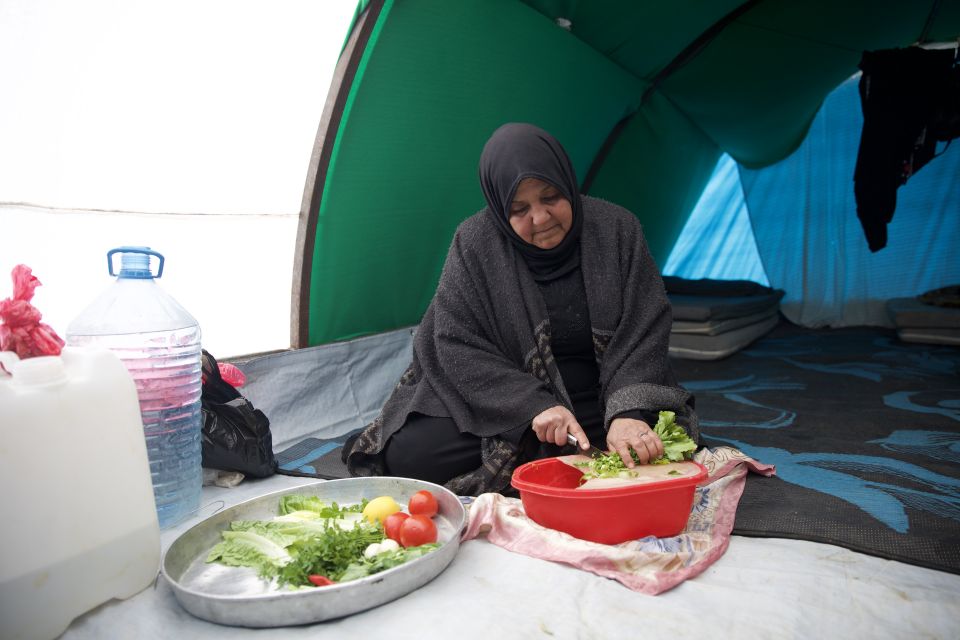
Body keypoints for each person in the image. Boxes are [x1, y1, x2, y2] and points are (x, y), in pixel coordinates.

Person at [345, 122, 698, 496]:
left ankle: (563, 446)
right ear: (499, 208)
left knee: (657, 437)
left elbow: (646, 327)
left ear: (567, 183)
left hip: (602, 394)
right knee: (411, 455)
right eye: (519, 208)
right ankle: (552, 444)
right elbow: (454, 342)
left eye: (551, 197)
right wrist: (533, 406)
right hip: (506, 398)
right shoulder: (474, 243)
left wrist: (626, 413)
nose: (541, 218)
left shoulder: (617, 229)